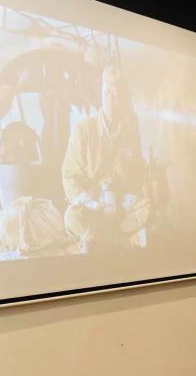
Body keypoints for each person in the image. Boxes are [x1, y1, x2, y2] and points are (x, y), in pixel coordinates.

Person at [61, 65, 151, 251]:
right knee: (71, 218)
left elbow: (136, 174)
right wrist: (95, 205)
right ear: (101, 94)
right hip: (93, 207)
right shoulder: (83, 129)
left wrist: (122, 206)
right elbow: (70, 177)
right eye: (107, 91)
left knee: (146, 206)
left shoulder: (130, 131)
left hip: (120, 207)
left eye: (116, 93)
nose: (111, 97)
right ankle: (121, 242)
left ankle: (101, 238)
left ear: (123, 98)